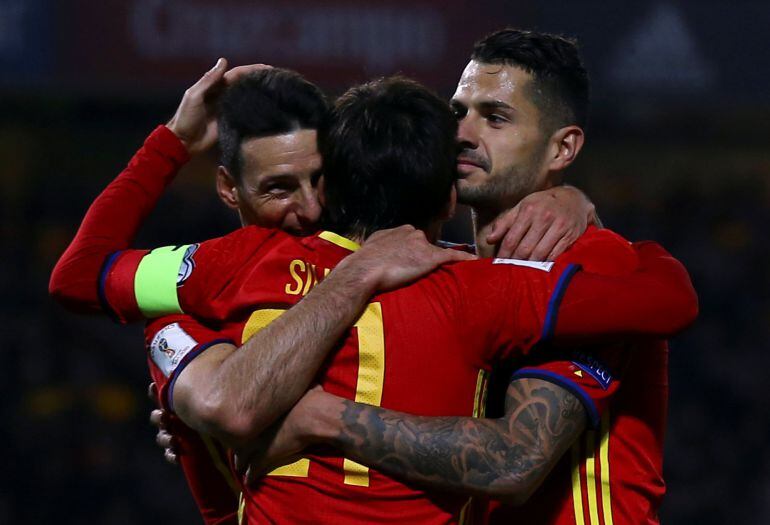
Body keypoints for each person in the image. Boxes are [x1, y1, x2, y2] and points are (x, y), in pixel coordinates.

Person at [52, 73, 696, 523]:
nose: (302, 207)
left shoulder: (234, 263)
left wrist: (170, 142)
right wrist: (589, 213)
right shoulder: (482, 289)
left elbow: (78, 277)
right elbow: (669, 302)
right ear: (449, 196)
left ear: (335, 183)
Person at [251, 29, 676, 525]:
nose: (461, 135)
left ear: (562, 150)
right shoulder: (436, 263)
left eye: (495, 118)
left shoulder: (589, 264)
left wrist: (321, 419)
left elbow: (515, 464)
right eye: (458, 112)